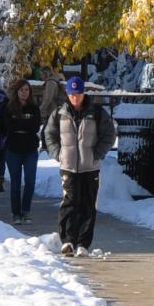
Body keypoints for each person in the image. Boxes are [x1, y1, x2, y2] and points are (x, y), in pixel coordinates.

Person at [44, 76, 116, 257]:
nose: (75, 97)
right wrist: (58, 153)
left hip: (90, 167)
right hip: (68, 166)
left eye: (78, 93)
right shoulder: (59, 113)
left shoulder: (97, 112)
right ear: (67, 94)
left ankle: (83, 243)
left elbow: (109, 134)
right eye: (71, 94)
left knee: (88, 205)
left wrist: (97, 154)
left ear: (83, 93)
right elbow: (49, 134)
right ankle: (68, 240)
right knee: (69, 203)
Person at [0, 80, 42, 223]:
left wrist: (20, 123)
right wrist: (24, 124)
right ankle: (16, 213)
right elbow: (8, 126)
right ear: (16, 92)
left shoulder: (34, 108)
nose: (24, 92)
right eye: (22, 90)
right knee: (15, 183)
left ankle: (26, 211)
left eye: (27, 90)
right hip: (13, 149)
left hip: (30, 149)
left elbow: (35, 126)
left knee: (30, 182)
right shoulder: (9, 108)